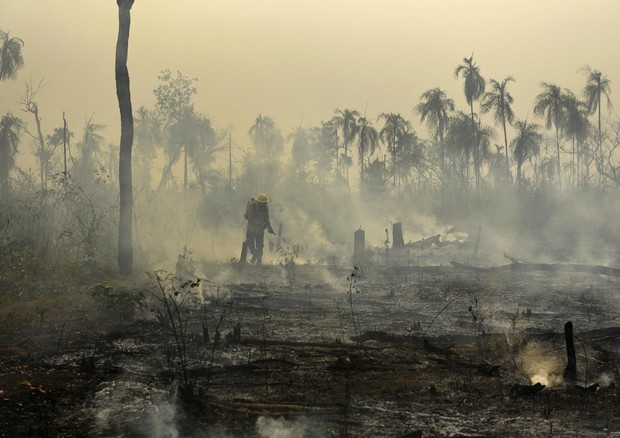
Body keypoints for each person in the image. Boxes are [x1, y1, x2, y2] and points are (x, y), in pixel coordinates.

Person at [244, 194, 275, 264]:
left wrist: (269, 227)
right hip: (251, 228)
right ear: (259, 202)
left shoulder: (265, 208)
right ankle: (254, 254)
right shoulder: (251, 206)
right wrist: (259, 224)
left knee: (260, 245)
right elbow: (251, 218)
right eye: (263, 203)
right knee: (250, 243)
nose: (264, 205)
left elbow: (266, 219)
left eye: (265, 203)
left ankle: (258, 263)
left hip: (260, 230)